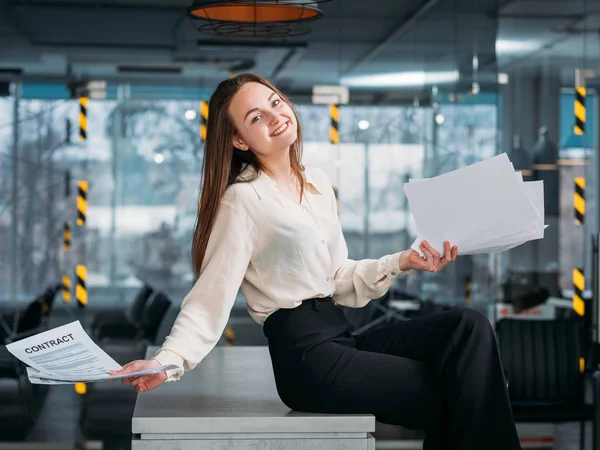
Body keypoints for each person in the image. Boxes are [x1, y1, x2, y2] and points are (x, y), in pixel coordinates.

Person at [111, 73, 521, 450]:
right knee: (456, 388)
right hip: (307, 359)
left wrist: (403, 262)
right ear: (239, 140)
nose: (275, 116)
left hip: (340, 334)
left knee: (469, 328)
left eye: (275, 102)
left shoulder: (317, 183)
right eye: (256, 117)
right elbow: (210, 296)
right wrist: (168, 361)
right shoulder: (242, 200)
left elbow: (337, 278)